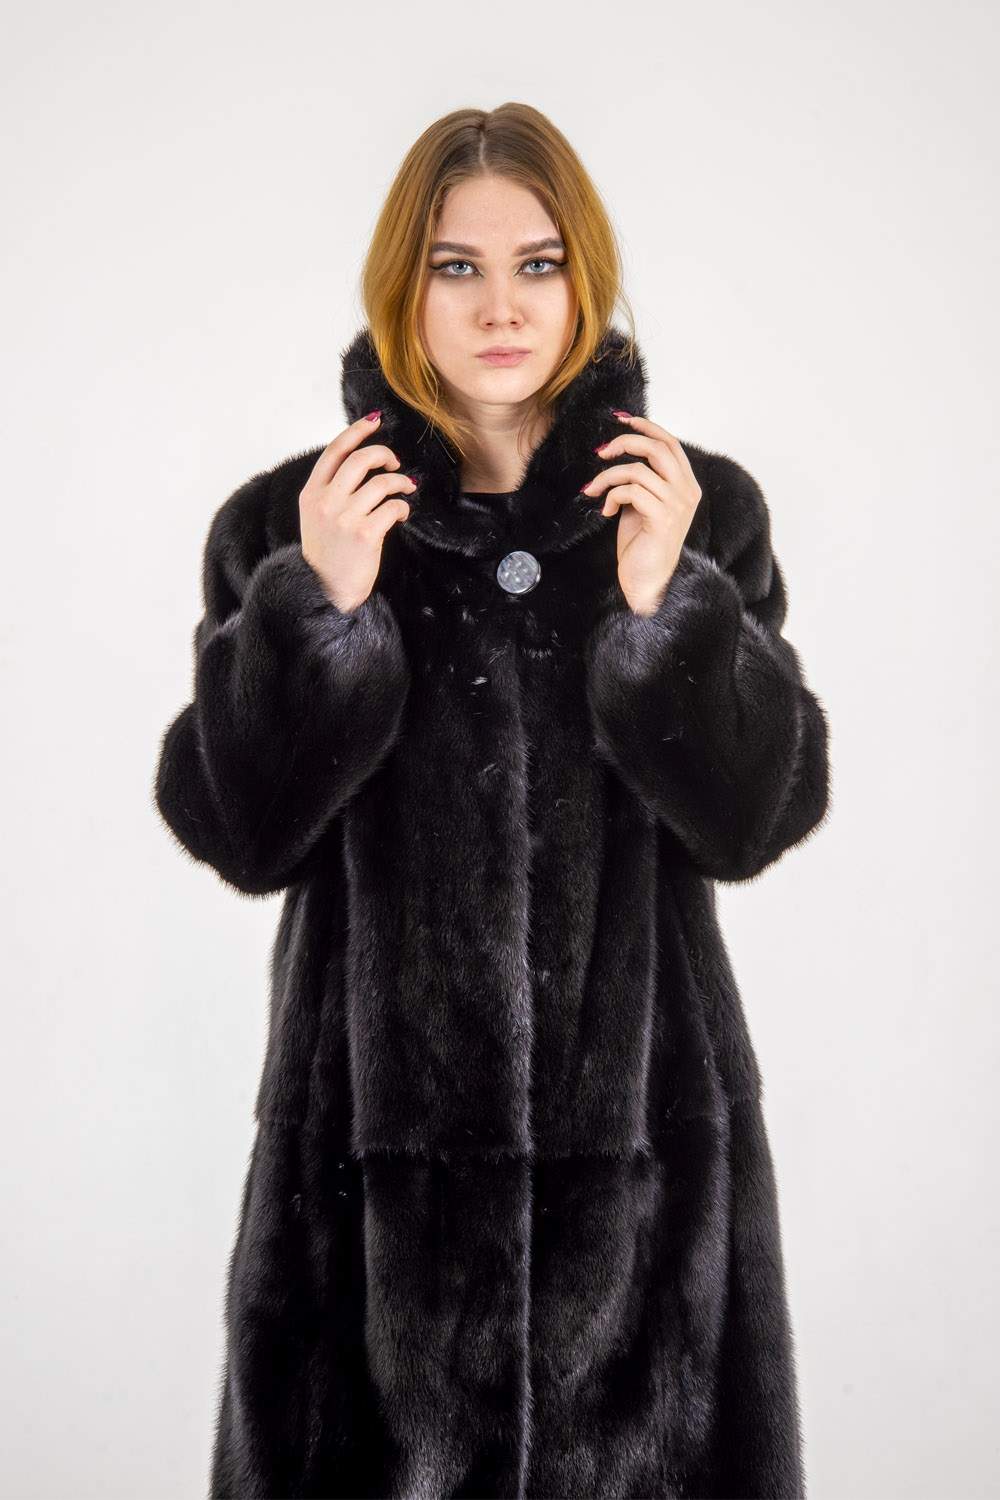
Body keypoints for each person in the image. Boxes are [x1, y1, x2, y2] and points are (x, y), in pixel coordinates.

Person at [153, 101, 831, 1500]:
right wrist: (320, 608)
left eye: (538, 263)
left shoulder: (694, 509)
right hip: (366, 1240)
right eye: (455, 266)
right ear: (402, 284)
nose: (501, 306)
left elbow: (758, 817)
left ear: (586, 278)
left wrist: (668, 608)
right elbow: (238, 828)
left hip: (647, 1228)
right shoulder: (294, 521)